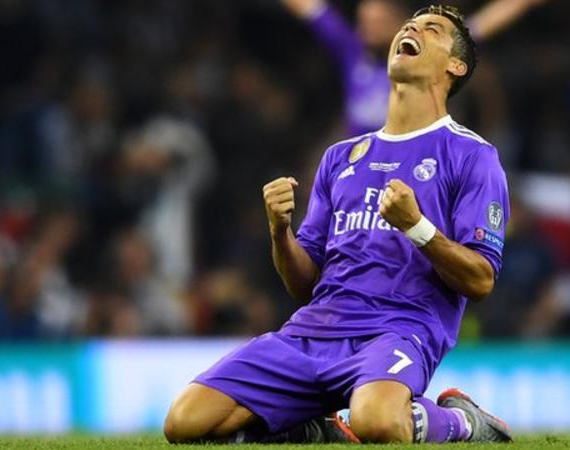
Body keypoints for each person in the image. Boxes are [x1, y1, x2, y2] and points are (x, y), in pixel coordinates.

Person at [164, 5, 511, 444]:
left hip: (397, 330)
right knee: (185, 423)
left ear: (455, 65)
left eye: (432, 28)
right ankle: (312, 427)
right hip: (314, 331)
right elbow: (304, 285)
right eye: (411, 23)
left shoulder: (472, 156)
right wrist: (279, 231)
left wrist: (417, 227)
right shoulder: (341, 157)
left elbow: (480, 281)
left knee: (379, 424)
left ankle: (462, 422)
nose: (412, 28)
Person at [280, 0, 546, 135]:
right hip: (361, 167)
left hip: (411, 167)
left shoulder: (430, 56)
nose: (366, 30)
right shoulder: (352, 51)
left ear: (399, 23)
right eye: (363, 22)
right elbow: (310, 7)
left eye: (376, 23)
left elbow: (483, 24)